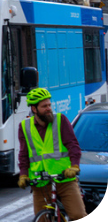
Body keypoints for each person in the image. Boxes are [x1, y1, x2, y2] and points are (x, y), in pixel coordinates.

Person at [17, 87, 87, 220]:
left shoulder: (60, 120)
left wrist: (74, 166)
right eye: (44, 106)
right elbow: (23, 154)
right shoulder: (25, 126)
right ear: (34, 109)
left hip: (64, 180)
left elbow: (73, 145)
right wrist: (23, 175)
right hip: (40, 183)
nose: (49, 108)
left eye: (49, 105)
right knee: (42, 219)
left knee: (78, 215)